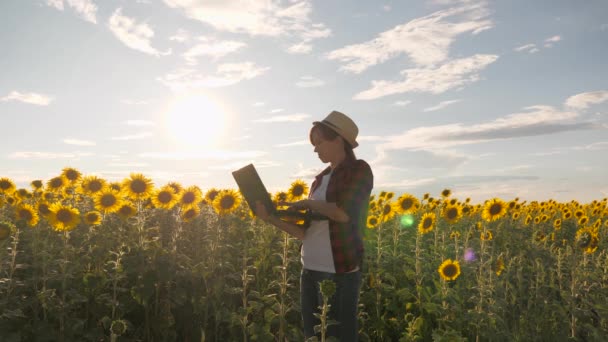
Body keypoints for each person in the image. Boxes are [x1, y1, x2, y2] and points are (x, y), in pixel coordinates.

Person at [255, 110, 373, 341]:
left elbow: (343, 214)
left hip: (339, 272)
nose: (315, 148)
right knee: (313, 335)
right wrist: (271, 216)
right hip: (309, 270)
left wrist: (310, 203)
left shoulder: (358, 170)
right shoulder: (319, 179)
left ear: (338, 139)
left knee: (340, 337)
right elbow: (304, 232)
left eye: (319, 142)